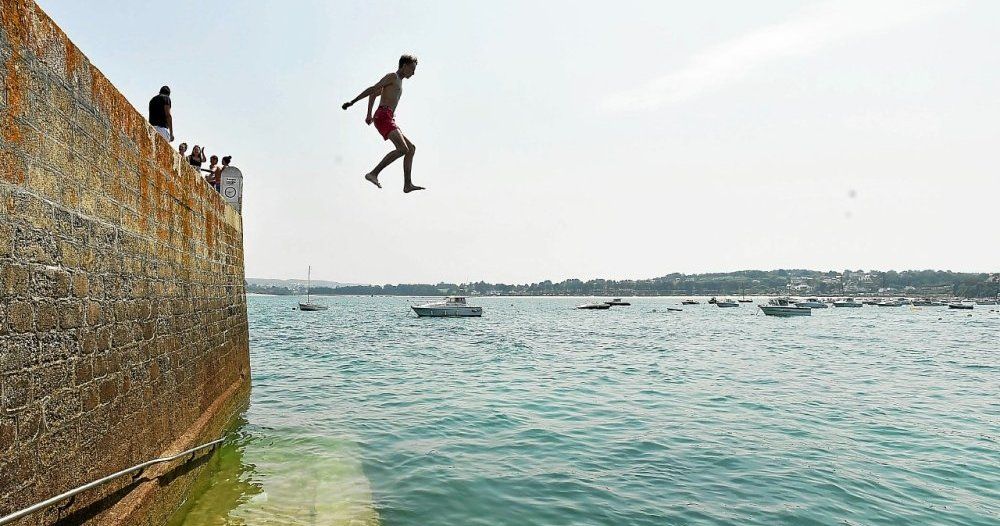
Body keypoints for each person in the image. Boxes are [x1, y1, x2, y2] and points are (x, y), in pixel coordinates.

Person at [343, 54, 424, 193]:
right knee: (403, 149)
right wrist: (353, 102)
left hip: (388, 117)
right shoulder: (393, 77)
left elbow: (375, 94)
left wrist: (369, 114)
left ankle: (407, 184)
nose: (413, 73)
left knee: (411, 149)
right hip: (383, 116)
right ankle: (373, 173)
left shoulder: (398, 81)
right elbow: (372, 89)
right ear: (404, 66)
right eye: (412, 69)